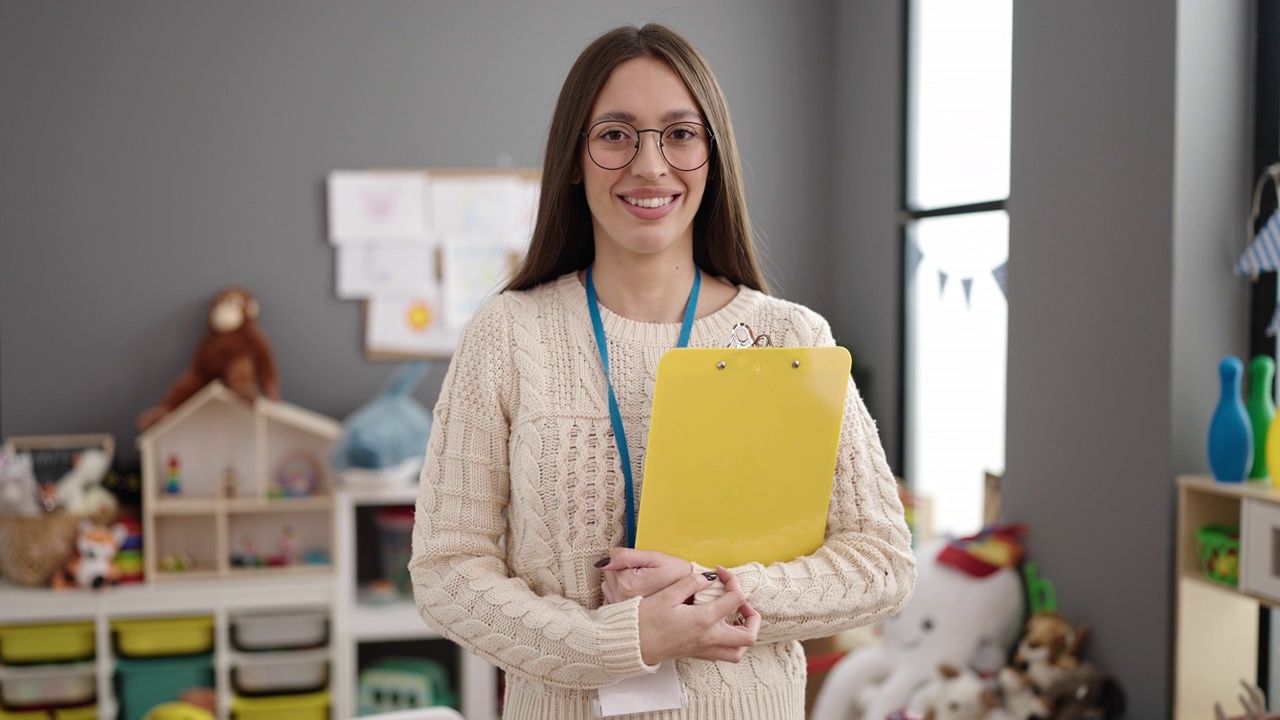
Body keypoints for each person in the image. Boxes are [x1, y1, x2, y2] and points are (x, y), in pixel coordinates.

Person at [410, 22, 916, 720]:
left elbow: (881, 564)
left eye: (679, 134)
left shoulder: (789, 336)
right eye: (616, 134)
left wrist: (712, 589)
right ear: (576, 160)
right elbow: (446, 572)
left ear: (712, 156)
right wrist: (618, 640)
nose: (650, 165)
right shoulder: (508, 334)